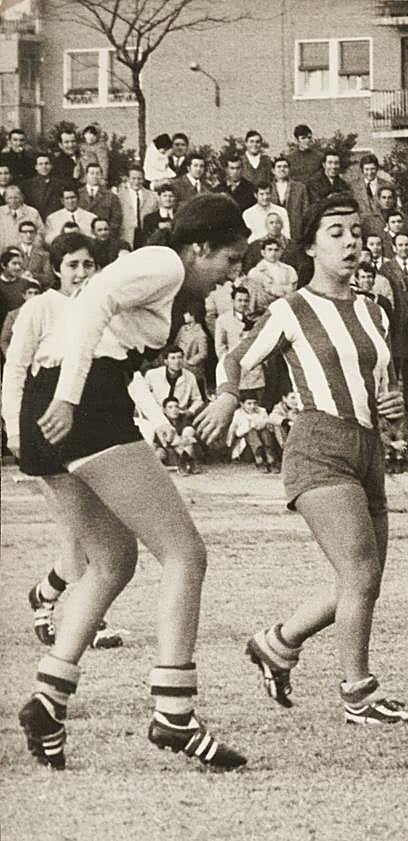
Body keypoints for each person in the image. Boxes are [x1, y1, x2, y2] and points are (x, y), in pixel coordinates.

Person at [10, 196, 251, 770]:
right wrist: (70, 396)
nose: (234, 273)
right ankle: (173, 712)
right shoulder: (165, 262)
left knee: (113, 562)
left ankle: (48, 700)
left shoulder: (168, 277)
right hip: (79, 401)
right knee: (185, 554)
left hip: (56, 404)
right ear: (200, 248)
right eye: (231, 259)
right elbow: (92, 298)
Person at [196, 193, 408, 726]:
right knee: (359, 571)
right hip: (319, 448)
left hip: (369, 449)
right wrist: (227, 397)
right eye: (335, 232)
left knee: (364, 577)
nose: (351, 241)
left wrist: (396, 405)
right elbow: (238, 356)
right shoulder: (290, 309)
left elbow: (383, 384)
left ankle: (277, 643)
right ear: (310, 245)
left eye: (356, 231)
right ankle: (358, 693)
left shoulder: (374, 308)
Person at [3, 234, 135, 654]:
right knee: (82, 528)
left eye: (88, 265)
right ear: (57, 268)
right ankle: (88, 619)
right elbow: (16, 370)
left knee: (89, 532)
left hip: (91, 429)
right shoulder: (39, 308)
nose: (81, 273)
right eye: (72, 265)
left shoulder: (104, 309)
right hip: (47, 429)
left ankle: (45, 595)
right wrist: (15, 431)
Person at [226, 394, 281, 472]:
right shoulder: (238, 413)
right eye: (249, 403)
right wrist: (250, 426)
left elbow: (268, 424)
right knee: (252, 433)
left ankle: (271, 460)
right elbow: (236, 432)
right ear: (242, 404)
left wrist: (262, 424)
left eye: (255, 403)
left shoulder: (262, 411)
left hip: (264, 440)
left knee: (265, 432)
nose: (252, 406)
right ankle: (260, 461)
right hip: (248, 444)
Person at [155, 396, 201, 474]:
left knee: (188, 431)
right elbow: (164, 442)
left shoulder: (183, 418)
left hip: (184, 446)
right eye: (170, 407)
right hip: (169, 449)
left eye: (176, 407)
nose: (174, 410)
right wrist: (178, 440)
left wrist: (181, 440)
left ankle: (183, 461)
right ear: (164, 410)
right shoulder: (162, 422)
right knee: (175, 439)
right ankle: (189, 461)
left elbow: (190, 433)